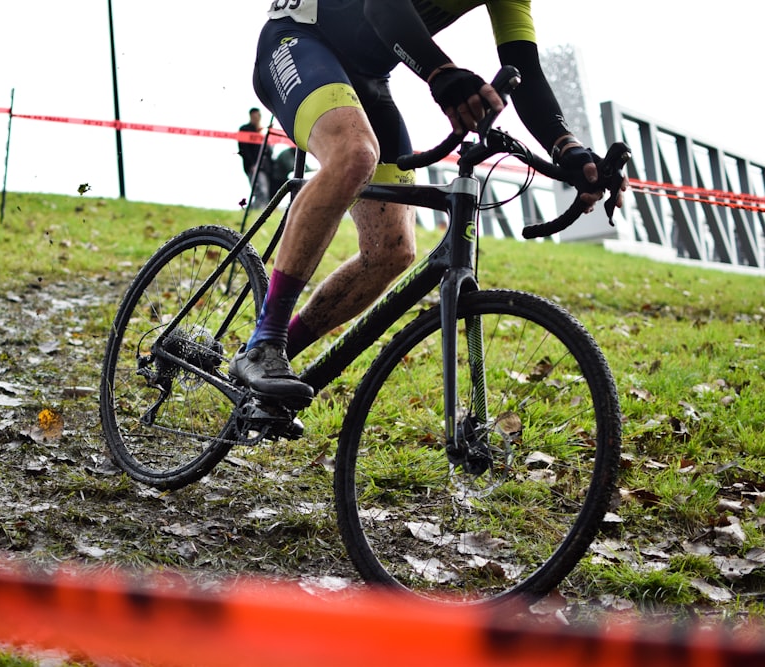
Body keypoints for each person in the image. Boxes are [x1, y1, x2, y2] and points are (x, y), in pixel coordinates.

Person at [230, 0, 627, 408]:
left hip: (368, 78)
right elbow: (382, 9)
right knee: (355, 155)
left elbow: (526, 75)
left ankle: (267, 368)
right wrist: (441, 72)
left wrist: (570, 150)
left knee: (393, 251)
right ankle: (264, 343)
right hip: (300, 39)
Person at [238, 107, 273, 208]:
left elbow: (268, 151)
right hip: (253, 166)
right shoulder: (245, 130)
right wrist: (251, 164)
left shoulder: (263, 132)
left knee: (264, 191)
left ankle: (257, 209)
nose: (256, 118)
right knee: (260, 191)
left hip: (264, 168)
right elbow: (244, 149)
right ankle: (259, 210)